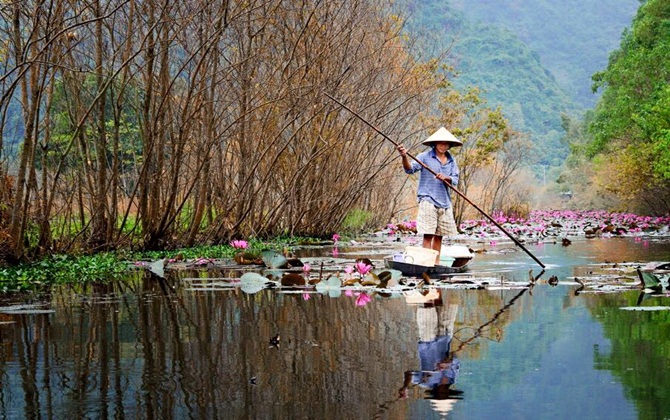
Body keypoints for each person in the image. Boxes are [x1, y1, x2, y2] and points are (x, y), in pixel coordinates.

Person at [398, 289, 462, 405]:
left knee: (428, 309)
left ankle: (427, 287)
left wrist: (405, 386)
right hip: (444, 339)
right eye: (445, 396)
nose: (443, 394)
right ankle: (435, 284)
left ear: (436, 395)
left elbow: (409, 373)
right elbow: (455, 359)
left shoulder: (425, 382)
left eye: (441, 396)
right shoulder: (453, 378)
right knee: (441, 307)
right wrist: (448, 362)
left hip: (427, 344)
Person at [397, 127, 462, 237]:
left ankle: (440, 254)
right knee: (427, 235)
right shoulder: (424, 157)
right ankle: (427, 253)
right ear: (435, 144)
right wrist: (404, 156)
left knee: (449, 237)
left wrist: (445, 178)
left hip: (445, 203)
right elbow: (409, 169)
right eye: (440, 144)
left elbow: (455, 179)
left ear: (449, 145)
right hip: (428, 200)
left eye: (446, 144)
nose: (443, 146)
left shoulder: (452, 161)